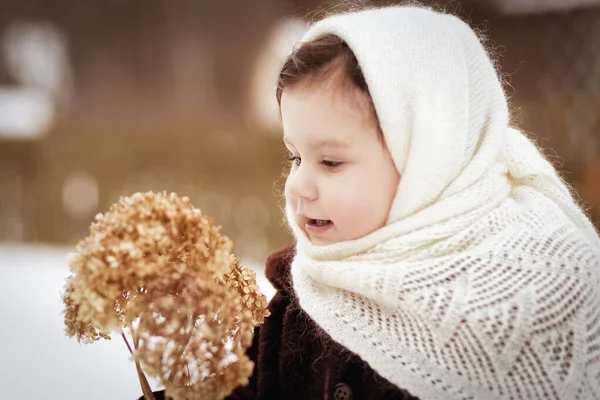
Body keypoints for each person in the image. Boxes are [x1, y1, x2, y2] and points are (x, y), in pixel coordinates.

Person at [143, 4, 600, 400]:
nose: (298, 185)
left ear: (428, 160)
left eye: (331, 161)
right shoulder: (305, 293)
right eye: (295, 156)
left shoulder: (535, 297)